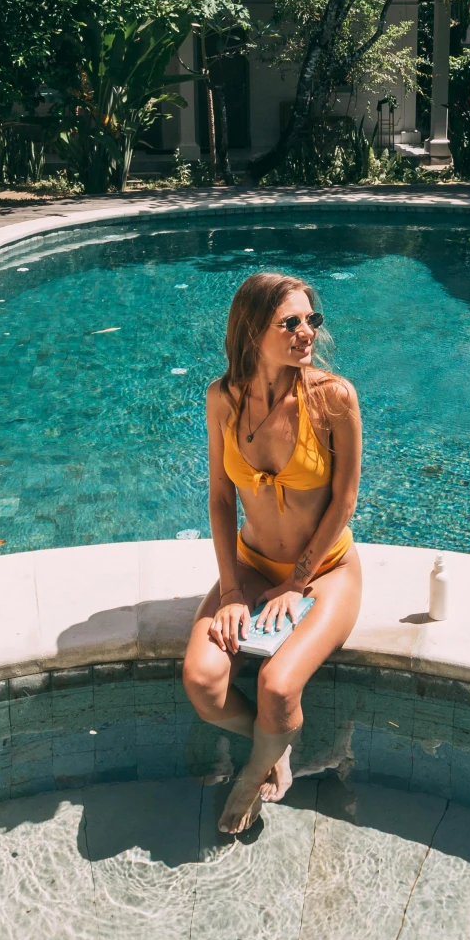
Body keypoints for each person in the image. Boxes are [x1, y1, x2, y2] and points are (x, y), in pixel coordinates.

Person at [183, 269, 363, 836]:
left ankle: (254, 773)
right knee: (203, 682)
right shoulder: (222, 399)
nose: (306, 331)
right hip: (253, 566)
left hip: (326, 571)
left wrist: (296, 582)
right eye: (291, 322)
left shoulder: (333, 398)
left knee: (279, 686)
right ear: (253, 329)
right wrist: (233, 590)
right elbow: (219, 498)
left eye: (313, 320)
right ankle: (274, 743)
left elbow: (344, 500)